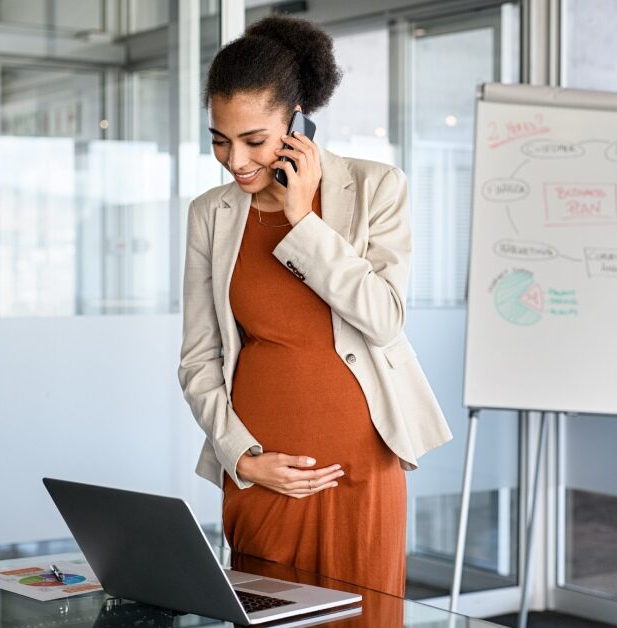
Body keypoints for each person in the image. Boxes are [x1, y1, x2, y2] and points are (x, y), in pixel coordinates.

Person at [177, 15, 452, 597]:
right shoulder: (211, 213)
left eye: (254, 140)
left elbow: (383, 319)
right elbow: (199, 358)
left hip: (361, 467)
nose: (235, 159)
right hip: (262, 470)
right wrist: (241, 458)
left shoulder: (376, 187)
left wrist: (304, 221)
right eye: (220, 139)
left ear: (298, 122)